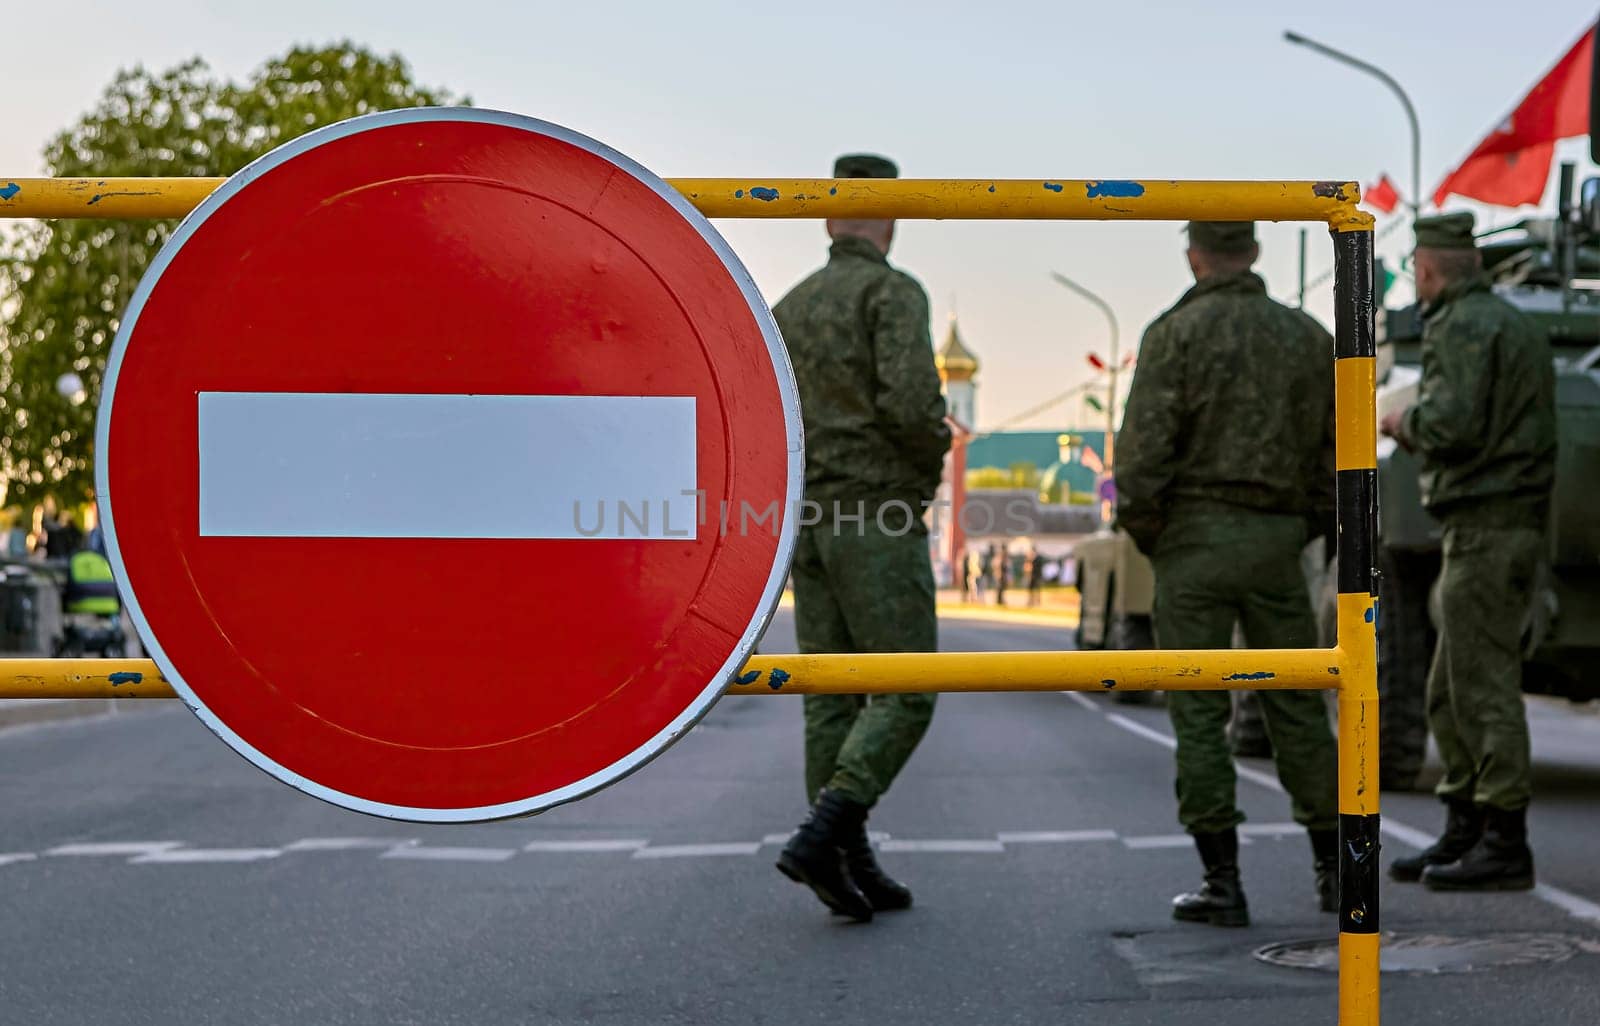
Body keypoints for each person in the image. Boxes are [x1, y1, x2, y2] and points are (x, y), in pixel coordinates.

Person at [1115, 221, 1339, 927]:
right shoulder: (1309, 338)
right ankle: (1337, 872)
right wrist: (1301, 525)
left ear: (1195, 255)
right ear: (1256, 252)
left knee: (1199, 712)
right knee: (1299, 707)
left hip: (1194, 540)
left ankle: (1223, 882)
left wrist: (1155, 534)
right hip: (1277, 542)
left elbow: (1142, 455)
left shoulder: (1174, 334)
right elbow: (1338, 452)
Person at [770, 153, 952, 923]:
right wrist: (925, 469)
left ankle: (847, 854)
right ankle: (827, 833)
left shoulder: (789, 305)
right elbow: (912, 404)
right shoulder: (890, 290)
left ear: (825, 217)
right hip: (875, 512)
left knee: (831, 695)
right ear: (893, 217)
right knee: (907, 690)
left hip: (807, 518)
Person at [1380, 212, 1556, 892]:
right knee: (1450, 686)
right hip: (1499, 523)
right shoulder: (1513, 322)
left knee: (1480, 689)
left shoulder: (1459, 326)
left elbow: (1451, 425)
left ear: (1426, 270)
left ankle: (1503, 839)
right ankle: (1466, 827)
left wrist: (1404, 420)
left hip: (1485, 522)